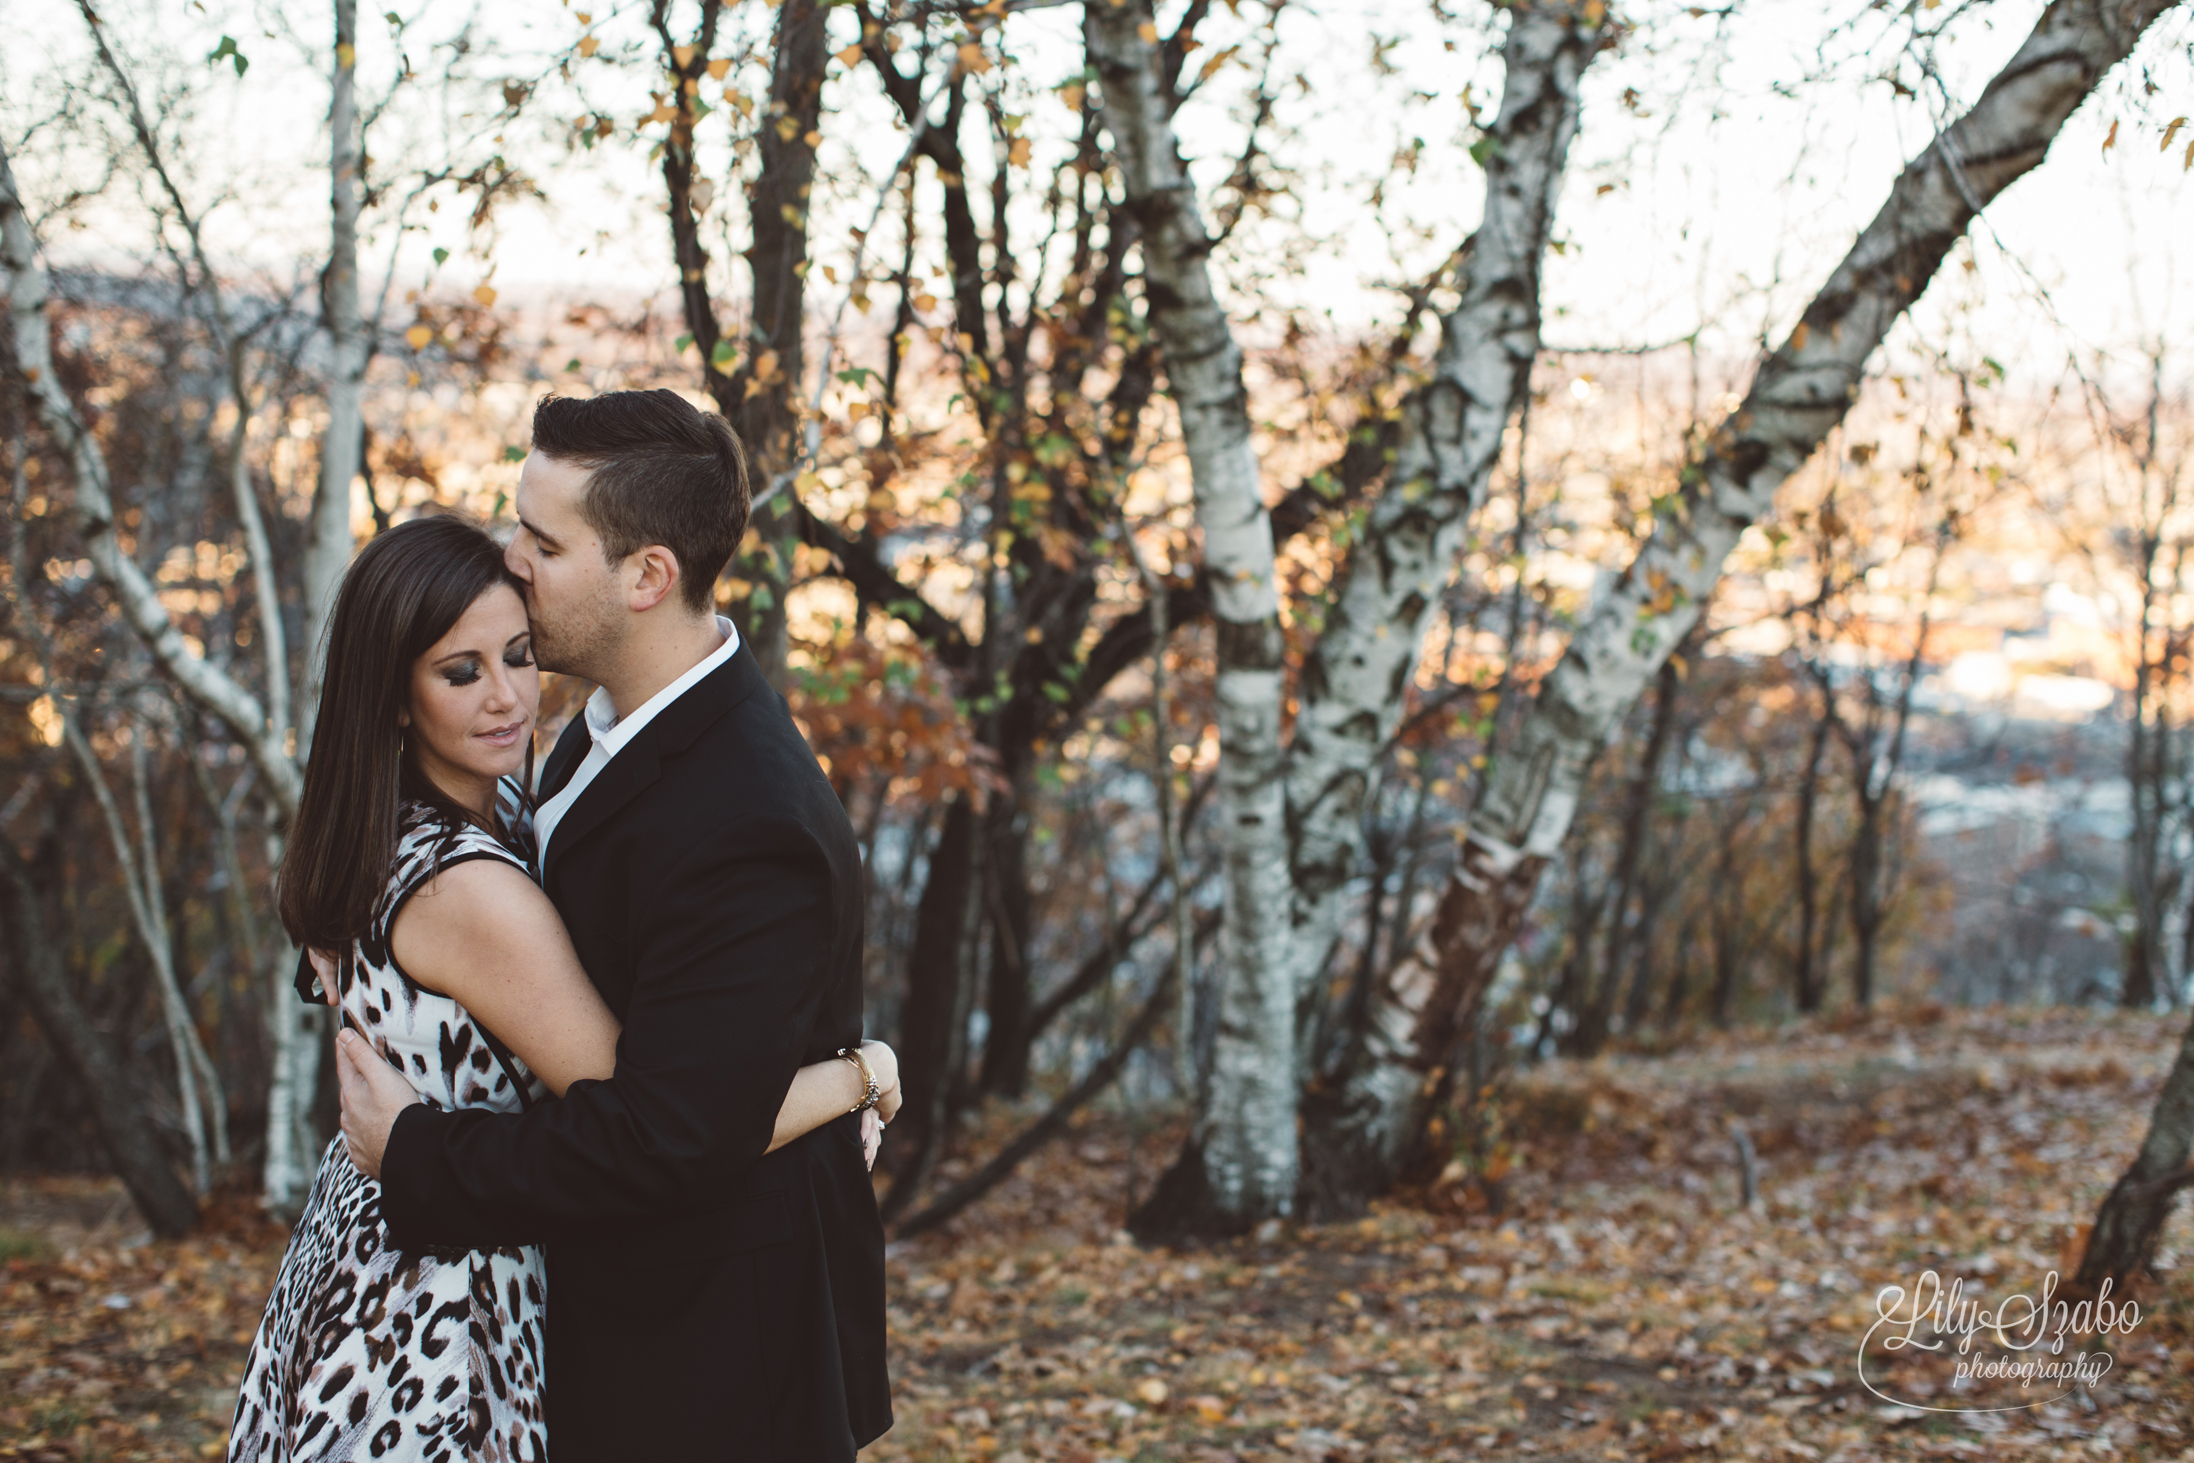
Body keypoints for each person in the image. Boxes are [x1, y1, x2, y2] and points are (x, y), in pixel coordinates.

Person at [227, 513, 896, 1462]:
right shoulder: (475, 891)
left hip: (374, 1245)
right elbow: (658, 1117)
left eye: (519, 654)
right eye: (461, 672)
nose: (506, 698)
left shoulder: (441, 804)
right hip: (440, 1304)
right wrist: (861, 1072)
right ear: (394, 695)